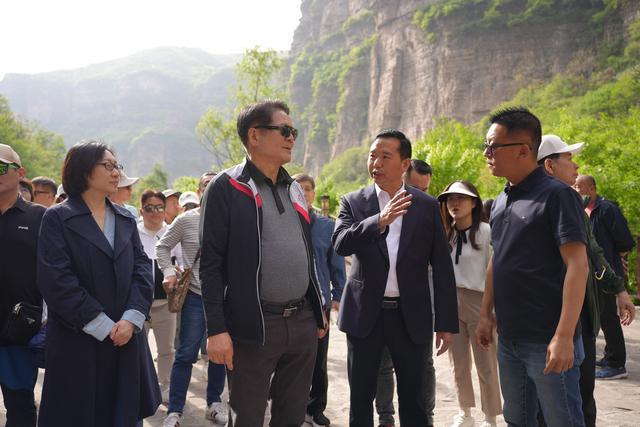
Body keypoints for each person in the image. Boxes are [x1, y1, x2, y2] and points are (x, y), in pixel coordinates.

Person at [200, 100, 327, 427]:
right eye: (283, 130)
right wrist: (216, 330)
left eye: (293, 131)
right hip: (252, 326)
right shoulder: (226, 187)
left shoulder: (294, 188)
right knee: (246, 418)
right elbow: (210, 264)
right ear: (254, 135)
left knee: (291, 417)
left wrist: (316, 309)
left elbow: (306, 253)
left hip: (301, 322)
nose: (291, 138)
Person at [332, 129, 458, 426]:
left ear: (404, 164)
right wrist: (379, 220)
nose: (376, 163)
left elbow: (442, 266)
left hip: (410, 316)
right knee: (361, 400)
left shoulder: (426, 206)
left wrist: (446, 323)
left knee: (414, 401)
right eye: (372, 156)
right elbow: (340, 243)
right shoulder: (353, 201)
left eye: (385, 157)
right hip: (365, 316)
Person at [476, 107, 589, 427]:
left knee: (563, 421)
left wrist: (564, 336)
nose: (486, 154)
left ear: (524, 150)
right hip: (509, 338)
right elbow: (498, 259)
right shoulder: (501, 200)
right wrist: (485, 314)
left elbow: (578, 265)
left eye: (493, 147)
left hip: (547, 340)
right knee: (517, 419)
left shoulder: (557, 196)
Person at [36, 139, 160, 426]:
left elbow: (142, 269)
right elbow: (56, 280)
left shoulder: (125, 218)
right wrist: (102, 325)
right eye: (108, 165)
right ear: (83, 169)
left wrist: (131, 318)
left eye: (117, 165)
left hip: (126, 336)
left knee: (124, 415)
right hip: (78, 340)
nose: (116, 172)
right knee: (79, 415)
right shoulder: (58, 218)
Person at [537, 134, 635, 426]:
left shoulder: (572, 204)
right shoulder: (537, 202)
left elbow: (594, 254)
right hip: (550, 321)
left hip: (578, 318)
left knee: (577, 397)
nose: (576, 165)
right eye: (569, 159)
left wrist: (619, 289)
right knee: (557, 402)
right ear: (550, 166)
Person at [156, 172, 227, 427]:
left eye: (217, 185)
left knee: (220, 353)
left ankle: (214, 403)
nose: (212, 188)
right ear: (199, 191)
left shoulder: (232, 218)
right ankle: (175, 411)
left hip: (224, 298)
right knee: (186, 354)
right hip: (196, 296)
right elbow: (162, 247)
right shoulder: (186, 220)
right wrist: (168, 271)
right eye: (207, 185)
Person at [376, 157, 436, 426]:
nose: (418, 196)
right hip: (382, 306)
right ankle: (386, 417)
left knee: (424, 366)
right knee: (383, 365)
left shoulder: (429, 211)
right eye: (414, 189)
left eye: (425, 190)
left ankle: (426, 416)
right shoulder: (378, 209)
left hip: (418, 307)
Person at [437, 181, 501, 427]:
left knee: (486, 362)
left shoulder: (487, 232)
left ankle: (490, 417)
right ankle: (464, 413)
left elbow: (495, 271)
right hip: (451, 300)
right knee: (458, 362)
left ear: (474, 202)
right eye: (450, 199)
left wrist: (490, 310)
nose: (454, 203)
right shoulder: (446, 233)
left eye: (461, 198)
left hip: (480, 301)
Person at [293, 173, 346, 427]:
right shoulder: (283, 222)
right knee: (290, 360)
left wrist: (337, 295)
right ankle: (292, 408)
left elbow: (337, 264)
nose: (303, 193)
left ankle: (315, 408)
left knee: (318, 361)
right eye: (297, 188)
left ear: (314, 193)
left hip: (319, 304)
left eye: (307, 189)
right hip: (288, 302)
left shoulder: (327, 226)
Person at [0, 144, 46, 427]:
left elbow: (54, 273)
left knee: (20, 408)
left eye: (1, 167)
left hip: (17, 332)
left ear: (20, 173)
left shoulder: (40, 217)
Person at [574, 174, 636, 380]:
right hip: (592, 275)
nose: (576, 189)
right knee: (601, 315)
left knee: (609, 317)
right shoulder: (582, 210)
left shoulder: (607, 209)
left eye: (579, 186)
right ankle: (609, 355)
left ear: (592, 188)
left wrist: (616, 262)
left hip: (607, 272)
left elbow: (625, 242)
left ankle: (617, 364)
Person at [137, 189, 182, 404]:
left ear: (165, 210)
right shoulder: (133, 232)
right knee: (138, 350)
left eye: (159, 207)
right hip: (138, 303)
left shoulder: (173, 234)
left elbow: (182, 261)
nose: (155, 212)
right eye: (149, 208)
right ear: (141, 210)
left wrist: (179, 271)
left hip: (166, 302)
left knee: (166, 349)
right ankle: (140, 387)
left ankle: (165, 385)